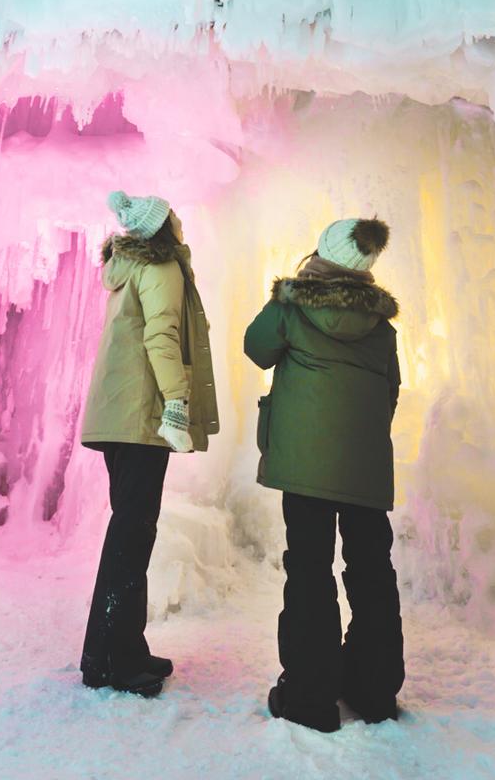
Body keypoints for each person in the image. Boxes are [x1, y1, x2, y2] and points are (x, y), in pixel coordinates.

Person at [244, 216, 404, 732]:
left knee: (310, 570)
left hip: (305, 467)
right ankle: (374, 691)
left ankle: (310, 697)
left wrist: (284, 300)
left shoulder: (292, 307)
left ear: (320, 255)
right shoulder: (382, 328)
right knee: (372, 571)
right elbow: (390, 394)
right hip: (365, 470)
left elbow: (256, 347)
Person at [79, 189, 219, 697]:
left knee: (131, 532)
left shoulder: (129, 268)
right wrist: (176, 402)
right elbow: (162, 336)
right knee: (131, 536)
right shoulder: (161, 269)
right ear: (163, 227)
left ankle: (120, 650)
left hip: (121, 417)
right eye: (174, 217)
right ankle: (112, 661)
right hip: (141, 418)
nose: (180, 222)